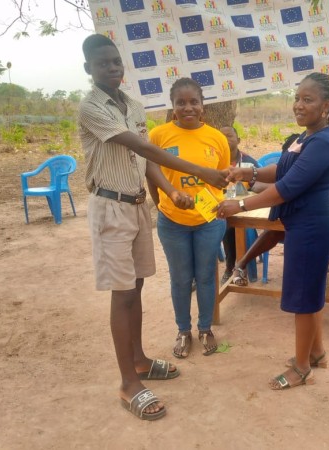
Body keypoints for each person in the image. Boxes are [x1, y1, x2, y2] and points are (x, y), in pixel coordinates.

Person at [78, 34, 227, 421]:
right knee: (122, 293)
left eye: (116, 61)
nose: (112, 68)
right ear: (88, 68)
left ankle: (140, 360)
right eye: (103, 63)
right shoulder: (91, 107)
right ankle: (128, 383)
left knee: (137, 287)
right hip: (110, 207)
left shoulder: (132, 105)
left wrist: (168, 192)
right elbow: (143, 147)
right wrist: (199, 172)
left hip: (138, 206)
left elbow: (145, 163)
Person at [216, 72, 329, 389]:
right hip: (302, 224)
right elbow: (284, 169)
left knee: (303, 298)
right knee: (310, 293)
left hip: (311, 227)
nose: (298, 105)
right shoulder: (307, 137)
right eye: (297, 98)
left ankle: (302, 368)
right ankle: (316, 353)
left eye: (307, 99)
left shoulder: (324, 142)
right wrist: (249, 172)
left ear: (326, 105)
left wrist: (241, 205)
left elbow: (287, 188)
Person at [147, 78, 230, 360]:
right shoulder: (159, 136)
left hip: (209, 221)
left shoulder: (217, 138)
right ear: (172, 106)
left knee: (206, 276)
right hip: (172, 223)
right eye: (180, 102)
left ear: (202, 105)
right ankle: (183, 331)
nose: (188, 108)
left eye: (194, 101)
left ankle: (205, 329)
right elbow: (151, 174)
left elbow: (222, 179)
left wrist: (209, 203)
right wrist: (164, 203)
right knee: (181, 278)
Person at [225, 132, 300, 287]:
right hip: (280, 221)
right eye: (286, 158)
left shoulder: (310, 168)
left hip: (304, 225)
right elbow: (258, 185)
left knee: (279, 230)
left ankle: (241, 264)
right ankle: (238, 265)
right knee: (272, 229)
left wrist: (287, 189)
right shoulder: (283, 170)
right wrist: (282, 188)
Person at [219, 126, 264, 285]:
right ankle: (230, 267)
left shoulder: (248, 162)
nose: (225, 139)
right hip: (221, 205)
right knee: (223, 222)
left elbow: (260, 183)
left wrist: (252, 187)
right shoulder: (214, 161)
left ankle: (233, 267)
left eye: (229, 136)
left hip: (245, 207)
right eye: (222, 136)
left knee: (230, 224)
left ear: (238, 140)